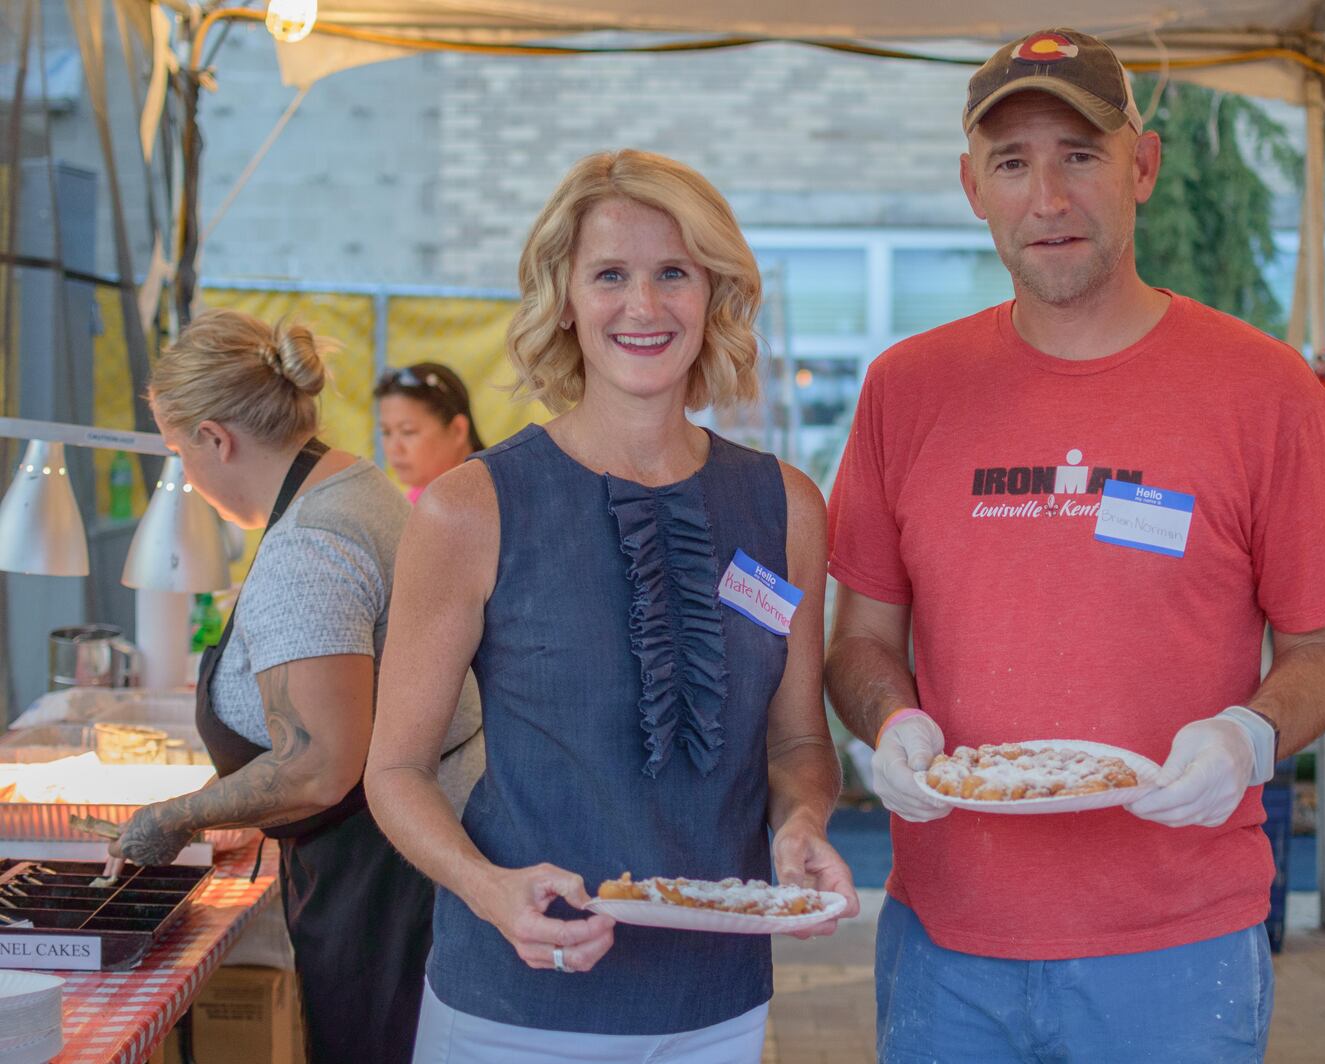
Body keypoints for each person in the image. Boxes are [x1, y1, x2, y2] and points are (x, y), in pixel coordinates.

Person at [825, 27, 1325, 1064]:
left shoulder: (1263, 389)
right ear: (972, 186)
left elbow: (1323, 650)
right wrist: (888, 724)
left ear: (1143, 166)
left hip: (1180, 941)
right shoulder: (907, 387)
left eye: (1079, 154)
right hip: (947, 940)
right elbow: (860, 641)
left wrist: (1248, 735)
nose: (1049, 197)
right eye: (1013, 162)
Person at [365, 148, 859, 1062]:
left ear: (715, 294)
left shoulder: (784, 505)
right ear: (564, 297)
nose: (644, 305)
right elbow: (393, 771)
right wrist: (484, 887)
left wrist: (803, 824)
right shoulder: (472, 509)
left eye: (674, 272)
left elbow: (797, 745)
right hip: (514, 1009)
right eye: (610, 275)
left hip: (718, 1007)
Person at [112, 309, 481, 1063]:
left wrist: (176, 817)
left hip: (386, 878)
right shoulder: (360, 485)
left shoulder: (310, 545)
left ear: (217, 438)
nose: (186, 474)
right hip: (418, 843)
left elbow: (319, 765)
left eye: (181, 453)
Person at [374, 361, 486, 502]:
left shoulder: (488, 501)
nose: (394, 448)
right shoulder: (420, 496)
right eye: (386, 432)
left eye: (408, 431)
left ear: (458, 430)